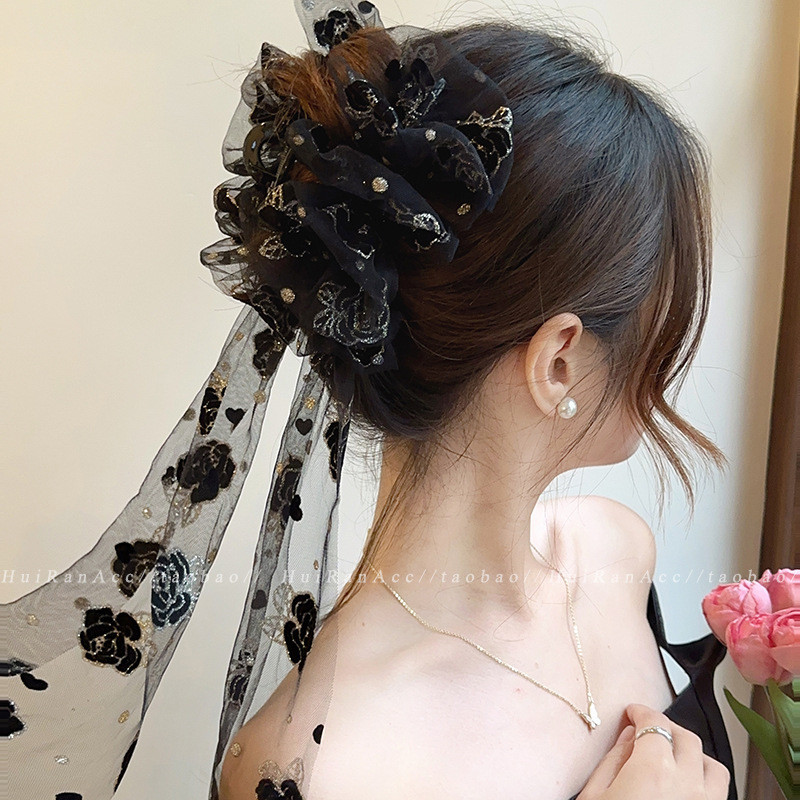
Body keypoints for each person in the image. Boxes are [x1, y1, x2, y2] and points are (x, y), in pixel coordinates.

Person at [3, 2, 736, 799]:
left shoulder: (615, 555)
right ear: (558, 362)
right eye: (661, 307)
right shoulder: (326, 766)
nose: (670, 347)